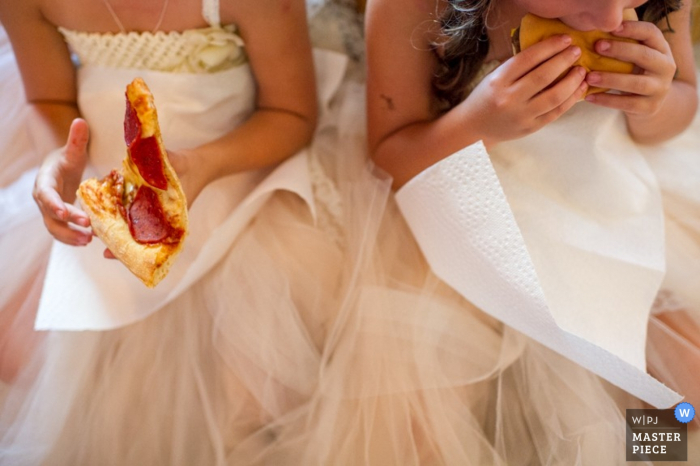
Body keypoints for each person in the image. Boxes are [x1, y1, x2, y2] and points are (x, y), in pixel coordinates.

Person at [0, 0, 373, 463]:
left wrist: (201, 164)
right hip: (105, 184)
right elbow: (47, 98)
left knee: (245, 394)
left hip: (236, 172)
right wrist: (59, 163)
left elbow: (291, 115)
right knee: (82, 377)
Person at [346, 0, 700, 463]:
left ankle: (640, 453)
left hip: (607, 197)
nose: (613, 19)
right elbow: (390, 156)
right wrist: (480, 121)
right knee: (423, 429)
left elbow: (685, 97)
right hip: (468, 207)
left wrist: (653, 104)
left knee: (681, 395)